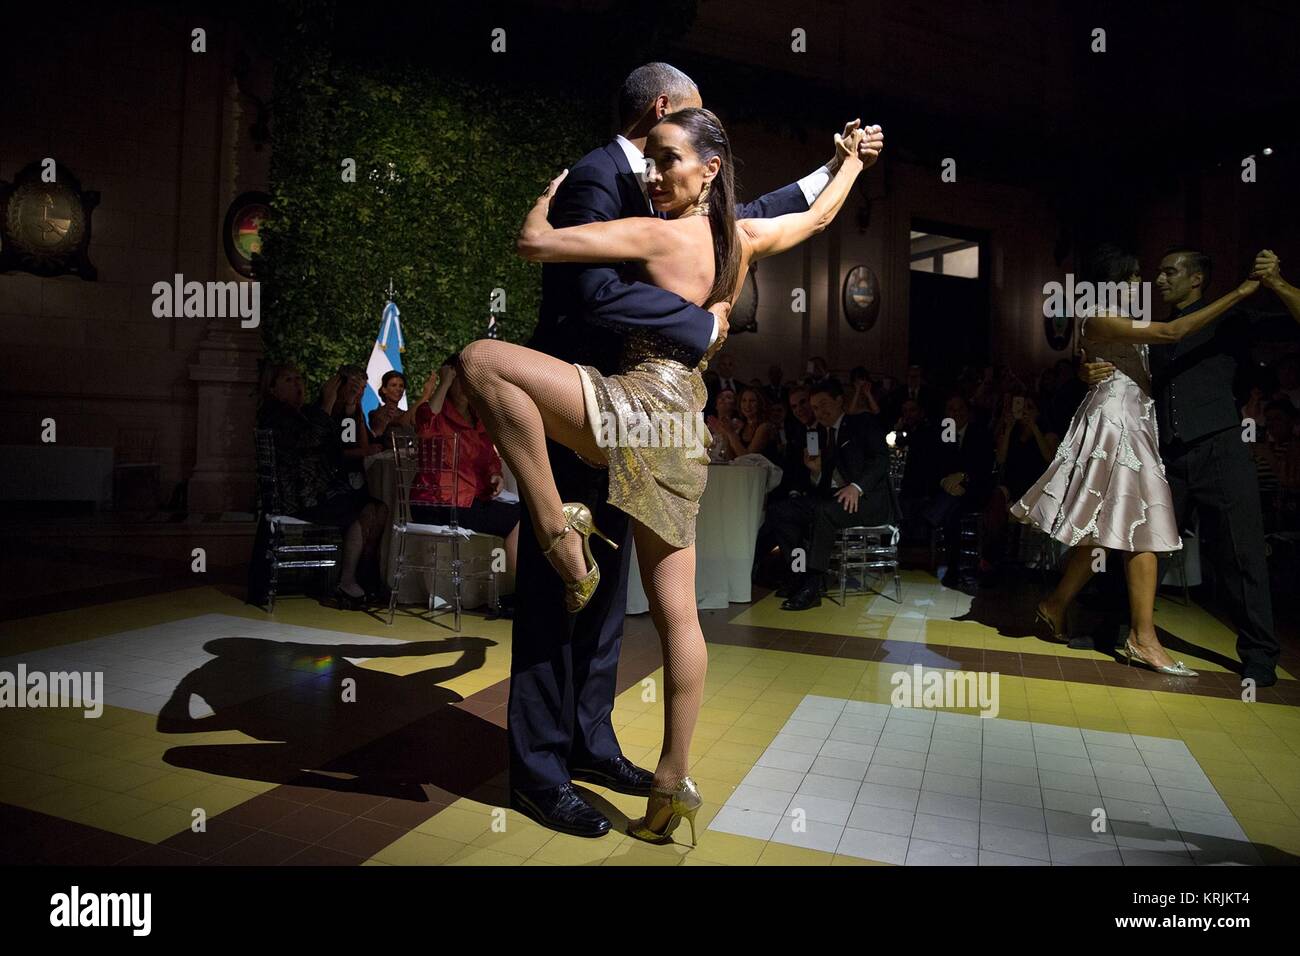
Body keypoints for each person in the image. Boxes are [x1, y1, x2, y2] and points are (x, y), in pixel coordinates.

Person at [457, 93, 880, 843]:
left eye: (667, 160)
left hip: (631, 412)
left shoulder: (654, 235)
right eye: (647, 159)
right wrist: (850, 162)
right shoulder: (743, 239)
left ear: (708, 168)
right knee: (680, 617)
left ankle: (558, 534)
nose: (653, 173)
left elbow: (533, 246)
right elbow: (814, 218)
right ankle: (671, 779)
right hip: (687, 429)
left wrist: (539, 206)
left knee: (482, 363)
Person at [1016, 243, 1267, 675]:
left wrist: (1086, 367)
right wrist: (1242, 291)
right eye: (1133, 276)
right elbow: (1168, 336)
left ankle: (1055, 605)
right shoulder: (1100, 315)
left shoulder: (1123, 320)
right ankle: (1142, 639)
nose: (1144, 281)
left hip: (1134, 423)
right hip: (1118, 426)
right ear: (1114, 280)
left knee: (1103, 530)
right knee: (1144, 528)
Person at [755, 380, 897, 610]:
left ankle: (813, 585)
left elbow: (881, 459)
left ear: (840, 400)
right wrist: (816, 473)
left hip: (868, 501)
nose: (820, 412)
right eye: (816, 407)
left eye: (824, 404)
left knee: (823, 512)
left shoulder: (862, 423)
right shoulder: (822, 433)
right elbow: (824, 483)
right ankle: (798, 573)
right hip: (835, 499)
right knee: (781, 511)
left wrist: (857, 487)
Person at [256, 364, 388, 608]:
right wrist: (332, 405)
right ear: (272, 389)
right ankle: (350, 581)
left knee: (377, 508)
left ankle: (361, 579)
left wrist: (353, 408)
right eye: (288, 379)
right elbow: (318, 444)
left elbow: (341, 445)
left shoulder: (305, 412)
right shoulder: (277, 415)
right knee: (365, 509)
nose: (298, 384)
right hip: (300, 497)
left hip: (319, 491)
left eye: (299, 378)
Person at [410, 358, 521, 572]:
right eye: (458, 379)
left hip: (467, 502)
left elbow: (489, 457)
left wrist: (495, 474)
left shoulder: (478, 417)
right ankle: (518, 590)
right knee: (517, 519)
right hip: (437, 504)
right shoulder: (437, 412)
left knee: (523, 512)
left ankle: (509, 585)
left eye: (468, 379)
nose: (465, 385)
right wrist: (442, 383)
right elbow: (424, 428)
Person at [920, 393, 995, 589]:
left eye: (960, 409)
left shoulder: (980, 433)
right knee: (951, 510)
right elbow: (936, 466)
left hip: (974, 489)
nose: (956, 414)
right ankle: (953, 566)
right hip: (950, 490)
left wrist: (963, 478)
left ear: (968, 411)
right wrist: (946, 481)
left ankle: (953, 564)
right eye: (951, 410)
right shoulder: (944, 433)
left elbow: (984, 467)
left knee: (950, 508)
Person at [369, 370, 438, 440]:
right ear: (384, 390)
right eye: (393, 385)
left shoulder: (405, 413)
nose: (398, 389)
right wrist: (425, 396)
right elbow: (402, 422)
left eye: (401, 386)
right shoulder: (375, 413)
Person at [713, 385, 774, 460]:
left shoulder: (764, 427)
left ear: (760, 403)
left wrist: (731, 433)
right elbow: (731, 458)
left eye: (752, 401)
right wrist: (725, 434)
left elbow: (747, 459)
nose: (747, 405)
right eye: (744, 401)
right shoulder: (743, 426)